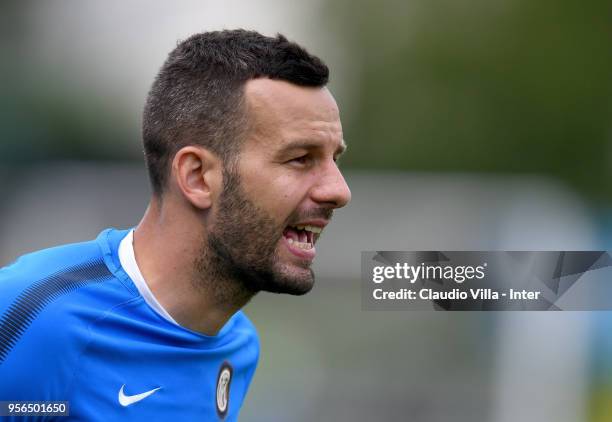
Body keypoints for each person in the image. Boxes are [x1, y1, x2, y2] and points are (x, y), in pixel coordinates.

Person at [0, 29, 351, 421]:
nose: (339, 190)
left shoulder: (237, 343)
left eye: (334, 160)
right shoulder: (31, 319)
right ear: (198, 176)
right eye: (300, 158)